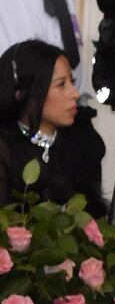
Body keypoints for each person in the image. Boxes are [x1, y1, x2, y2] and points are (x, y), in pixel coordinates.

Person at [0, 37, 104, 213]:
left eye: (71, 81)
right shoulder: (5, 149)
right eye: (61, 84)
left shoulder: (83, 141)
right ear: (24, 92)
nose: (75, 93)